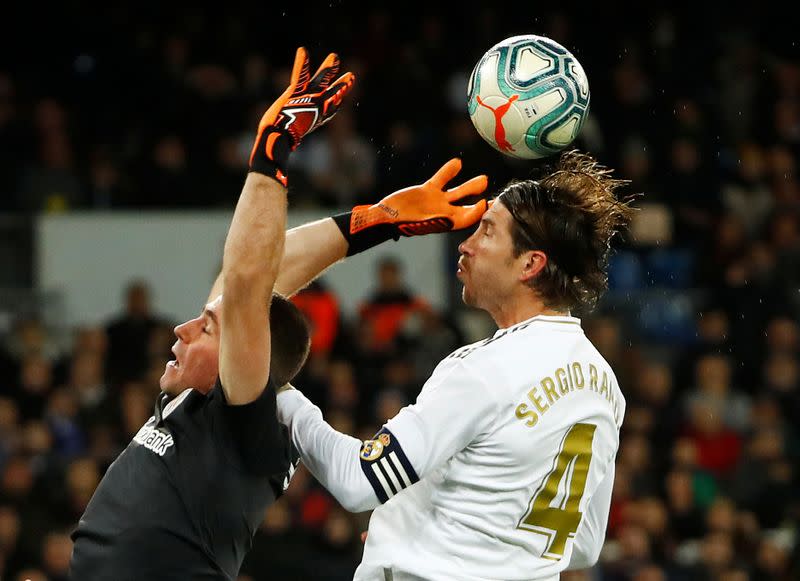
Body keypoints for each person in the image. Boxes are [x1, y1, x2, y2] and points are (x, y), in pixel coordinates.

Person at [68, 46, 490, 581]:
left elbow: (246, 283)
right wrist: (372, 223)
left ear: (248, 355)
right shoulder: (207, 397)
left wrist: (273, 150)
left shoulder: (245, 417)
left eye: (206, 327)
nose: (183, 326)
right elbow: (249, 285)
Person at [276, 151, 635, 580]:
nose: (465, 244)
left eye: (487, 232)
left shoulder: (487, 369)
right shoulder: (604, 384)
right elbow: (584, 542)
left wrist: (283, 397)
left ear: (530, 263)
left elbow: (358, 482)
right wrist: (423, 528)